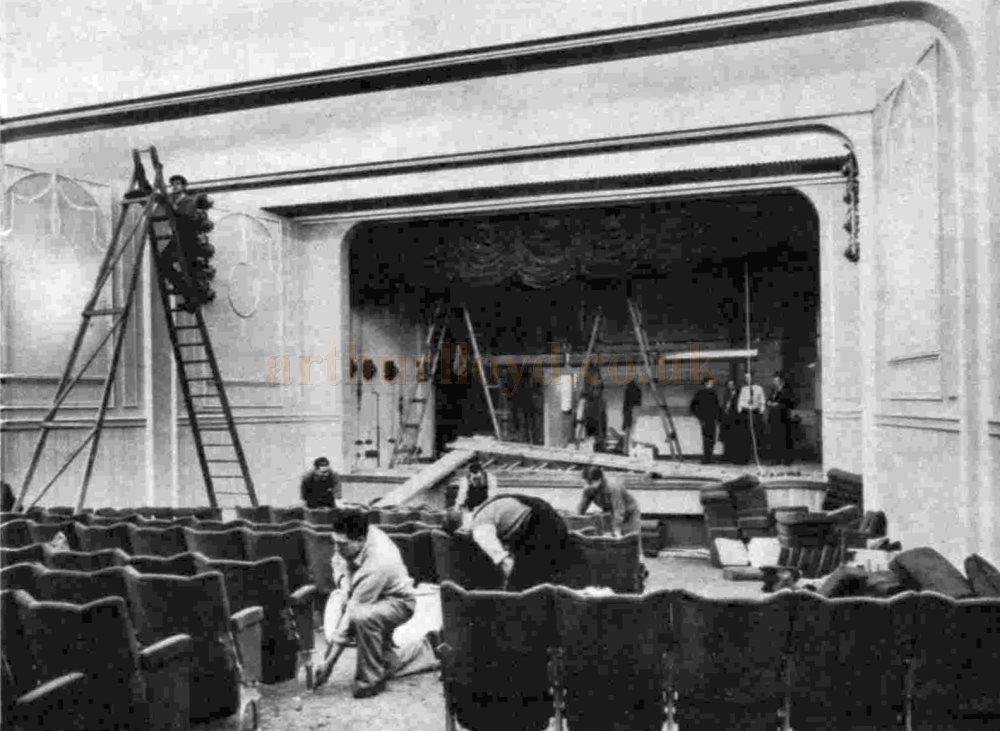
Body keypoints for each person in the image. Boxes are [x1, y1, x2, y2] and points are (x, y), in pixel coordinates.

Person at [314, 508, 439, 697]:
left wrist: (329, 664)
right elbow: (338, 561)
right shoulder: (350, 537)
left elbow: (351, 615)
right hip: (372, 593)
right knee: (384, 659)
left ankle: (370, 681)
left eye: (342, 545)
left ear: (361, 541)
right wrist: (344, 583)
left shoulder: (378, 561)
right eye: (335, 543)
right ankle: (425, 649)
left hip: (399, 602)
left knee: (361, 618)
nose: (337, 548)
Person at [465, 494, 574, 591]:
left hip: (539, 525)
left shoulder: (479, 528)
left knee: (525, 587)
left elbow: (505, 562)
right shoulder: (487, 506)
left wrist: (508, 582)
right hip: (548, 518)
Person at [577, 466, 641, 537]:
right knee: (609, 538)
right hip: (611, 512)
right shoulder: (588, 489)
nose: (589, 485)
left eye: (591, 482)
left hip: (629, 513)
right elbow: (581, 507)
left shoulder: (612, 487)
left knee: (631, 539)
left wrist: (616, 529)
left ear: (599, 479)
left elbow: (619, 510)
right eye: (587, 482)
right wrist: (577, 520)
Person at [767, 371, 797, 465]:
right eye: (773, 380)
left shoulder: (787, 390)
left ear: (780, 380)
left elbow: (790, 403)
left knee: (785, 439)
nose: (774, 382)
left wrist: (778, 405)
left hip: (784, 418)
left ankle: (787, 460)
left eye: (775, 380)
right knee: (775, 439)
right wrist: (769, 403)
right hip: (774, 417)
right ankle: (776, 459)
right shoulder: (773, 390)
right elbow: (769, 399)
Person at [689, 376, 721, 464]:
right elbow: (693, 407)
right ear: (706, 383)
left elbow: (717, 407)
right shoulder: (700, 393)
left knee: (712, 439)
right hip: (704, 419)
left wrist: (718, 418)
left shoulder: (713, 393)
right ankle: (706, 459)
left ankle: (710, 457)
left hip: (712, 419)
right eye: (711, 383)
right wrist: (699, 417)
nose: (712, 384)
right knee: (706, 439)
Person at [737, 372, 767, 464]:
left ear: (753, 378)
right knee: (745, 437)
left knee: (757, 436)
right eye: (746, 378)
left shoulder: (759, 388)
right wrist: (741, 411)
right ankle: (745, 458)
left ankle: (757, 459)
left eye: (749, 377)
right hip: (746, 413)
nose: (747, 379)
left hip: (755, 413)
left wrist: (761, 412)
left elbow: (762, 401)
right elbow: (740, 401)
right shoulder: (743, 389)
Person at [719, 378, 742, 463]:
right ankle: (726, 455)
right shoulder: (726, 394)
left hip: (735, 419)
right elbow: (724, 405)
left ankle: (734, 456)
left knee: (734, 438)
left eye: (732, 384)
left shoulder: (738, 394)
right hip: (726, 419)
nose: (730, 386)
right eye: (729, 385)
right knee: (726, 439)